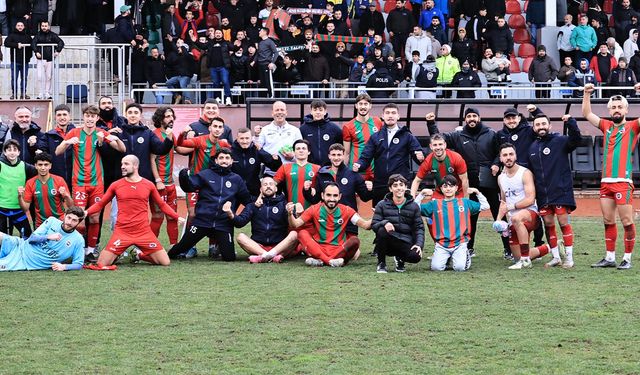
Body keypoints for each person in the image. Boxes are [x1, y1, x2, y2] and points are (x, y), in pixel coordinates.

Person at [426, 108, 507, 259]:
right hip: (469, 182)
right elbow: (440, 139)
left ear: (479, 117)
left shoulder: (490, 133)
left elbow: (499, 151)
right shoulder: (457, 135)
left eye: (474, 116)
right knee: (469, 216)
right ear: (465, 119)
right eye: (468, 116)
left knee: (499, 213)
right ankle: (469, 248)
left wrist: (496, 163)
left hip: (489, 179)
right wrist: (431, 124)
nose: (471, 118)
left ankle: (508, 248)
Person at [55, 105, 125, 262]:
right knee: (77, 217)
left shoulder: (101, 133)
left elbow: (122, 149)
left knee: (94, 218)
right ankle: (77, 248)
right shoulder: (74, 133)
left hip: (97, 184)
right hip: (79, 183)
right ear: (83, 117)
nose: (89, 118)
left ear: (97, 118)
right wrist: (67, 143)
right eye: (87, 115)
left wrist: (116, 139)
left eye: (93, 116)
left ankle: (91, 250)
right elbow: (57, 152)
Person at [86, 155, 184, 267]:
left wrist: (177, 217)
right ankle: (116, 254)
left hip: (143, 232)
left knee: (165, 262)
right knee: (101, 263)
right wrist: (86, 212)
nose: (122, 167)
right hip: (122, 231)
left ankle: (138, 256)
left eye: (126, 164)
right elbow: (100, 204)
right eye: (122, 164)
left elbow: (162, 205)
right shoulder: (116, 185)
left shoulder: (149, 185)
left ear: (136, 166)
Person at [582, 83, 638, 269]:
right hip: (606, 182)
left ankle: (627, 258)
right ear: (609, 110)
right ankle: (610, 257)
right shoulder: (606, 125)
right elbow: (587, 115)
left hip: (623, 182)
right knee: (608, 220)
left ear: (626, 109)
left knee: (627, 221)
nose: (616, 110)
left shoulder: (632, 126)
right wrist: (587, 94)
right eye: (613, 107)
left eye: (619, 107)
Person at [168, 148, 252, 261]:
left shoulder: (236, 179)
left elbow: (247, 201)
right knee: (177, 250)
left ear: (231, 161)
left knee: (229, 258)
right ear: (216, 160)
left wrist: (239, 216)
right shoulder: (205, 175)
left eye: (227, 158)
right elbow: (189, 187)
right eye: (221, 158)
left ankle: (219, 246)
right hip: (202, 221)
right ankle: (170, 252)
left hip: (223, 224)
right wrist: (183, 177)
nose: (224, 160)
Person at [528, 114, 581, 269]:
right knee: (549, 225)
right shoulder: (532, 147)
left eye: (544, 123)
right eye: (537, 124)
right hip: (543, 194)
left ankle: (569, 258)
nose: (541, 126)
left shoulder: (560, 140)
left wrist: (571, 122)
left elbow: (576, 139)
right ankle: (556, 257)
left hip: (560, 191)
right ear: (534, 128)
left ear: (550, 126)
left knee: (563, 223)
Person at [354, 103, 424, 206]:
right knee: (380, 218)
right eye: (387, 113)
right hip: (380, 184)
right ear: (382, 116)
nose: (390, 115)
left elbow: (418, 155)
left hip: (400, 184)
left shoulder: (407, 136)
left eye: (393, 113)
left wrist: (420, 157)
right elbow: (365, 157)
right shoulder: (375, 137)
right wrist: (359, 165)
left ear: (398, 116)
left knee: (402, 217)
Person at [288, 183, 372, 267]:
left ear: (339, 196)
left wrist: (377, 215)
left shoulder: (347, 210)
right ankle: (330, 261)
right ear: (322, 195)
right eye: (328, 195)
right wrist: (290, 214)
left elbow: (366, 225)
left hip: (339, 250)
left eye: (335, 196)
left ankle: (322, 261)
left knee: (355, 240)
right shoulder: (314, 209)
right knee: (302, 233)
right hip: (319, 249)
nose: (332, 199)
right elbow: (295, 224)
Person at [497, 143, 550, 270]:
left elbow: (530, 199)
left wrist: (511, 207)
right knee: (517, 257)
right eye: (505, 155)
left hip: (530, 214)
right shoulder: (500, 177)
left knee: (516, 218)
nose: (508, 157)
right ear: (500, 158)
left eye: (511, 154)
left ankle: (526, 261)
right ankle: (551, 247)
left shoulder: (525, 173)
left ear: (516, 156)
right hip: (513, 219)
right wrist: (498, 220)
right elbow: (503, 202)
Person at [420, 175, 490, 271]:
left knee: (459, 268)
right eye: (445, 186)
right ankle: (447, 257)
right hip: (442, 244)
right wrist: (421, 195)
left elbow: (485, 206)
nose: (448, 189)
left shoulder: (465, 202)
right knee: (436, 268)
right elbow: (415, 208)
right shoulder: (435, 204)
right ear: (441, 189)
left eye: (451, 186)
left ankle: (466, 255)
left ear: (456, 188)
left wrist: (477, 192)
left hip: (460, 243)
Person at [226, 176, 299, 263]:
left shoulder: (283, 205)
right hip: (258, 246)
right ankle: (269, 255)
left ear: (276, 189)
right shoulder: (253, 205)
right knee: (240, 237)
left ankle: (266, 256)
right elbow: (240, 223)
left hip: (279, 246)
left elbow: (292, 225)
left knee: (294, 234)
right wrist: (230, 213)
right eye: (265, 184)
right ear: (261, 189)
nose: (268, 186)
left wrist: (290, 214)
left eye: (271, 184)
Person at [0, 207, 85, 272]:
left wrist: (64, 267)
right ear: (64, 215)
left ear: (79, 222)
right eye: (69, 218)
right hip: (19, 245)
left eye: (74, 220)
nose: (69, 222)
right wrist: (48, 237)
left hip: (23, 261)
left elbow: (78, 264)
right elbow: (31, 239)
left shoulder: (78, 240)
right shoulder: (52, 221)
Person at [372, 174, 423, 273]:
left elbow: (419, 228)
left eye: (401, 185)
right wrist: (385, 222)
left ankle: (400, 258)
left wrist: (419, 244)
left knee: (415, 257)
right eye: (395, 185)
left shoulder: (414, 206)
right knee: (382, 230)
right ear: (390, 189)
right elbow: (374, 224)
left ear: (406, 187)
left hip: (406, 241)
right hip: (388, 241)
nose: (398, 188)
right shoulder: (381, 204)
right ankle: (381, 263)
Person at [150, 107, 183, 249]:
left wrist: (195, 145)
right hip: (159, 184)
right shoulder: (155, 135)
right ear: (160, 119)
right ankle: (150, 245)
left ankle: (173, 246)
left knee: (172, 216)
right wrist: (157, 180)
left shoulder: (171, 135)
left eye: (171, 116)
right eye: (167, 116)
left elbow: (179, 149)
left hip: (170, 184)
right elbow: (152, 159)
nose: (170, 119)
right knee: (157, 215)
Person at [18, 152, 72, 228]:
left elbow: (71, 206)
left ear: (50, 166)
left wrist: (66, 195)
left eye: (46, 165)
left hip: (59, 222)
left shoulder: (59, 180)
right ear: (35, 166)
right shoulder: (30, 183)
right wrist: (20, 197)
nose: (43, 168)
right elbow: (25, 208)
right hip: (41, 225)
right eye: (40, 165)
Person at [410, 133, 468, 199]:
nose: (438, 148)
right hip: (440, 193)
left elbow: (465, 180)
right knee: (432, 208)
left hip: (457, 192)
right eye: (435, 145)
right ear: (431, 146)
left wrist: (466, 200)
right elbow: (417, 181)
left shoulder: (456, 158)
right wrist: (412, 199)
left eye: (440, 144)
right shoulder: (428, 161)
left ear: (445, 145)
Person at [0, 139, 36, 238]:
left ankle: (23, 253)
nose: (12, 152)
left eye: (15, 149)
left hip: (18, 208)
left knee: (27, 235)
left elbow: (39, 173)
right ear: (4, 152)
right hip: (1, 208)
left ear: (19, 152)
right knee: (3, 238)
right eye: (9, 149)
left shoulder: (25, 166)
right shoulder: (0, 164)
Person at [342, 94, 383, 180]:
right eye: (360, 104)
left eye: (365, 104)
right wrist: (344, 172)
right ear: (356, 106)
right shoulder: (348, 126)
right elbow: (346, 153)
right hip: (356, 170)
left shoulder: (378, 122)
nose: (363, 107)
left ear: (370, 106)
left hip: (375, 170)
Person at [230, 128, 281, 198]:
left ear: (251, 138)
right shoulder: (231, 152)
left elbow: (274, 167)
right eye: (242, 138)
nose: (245, 141)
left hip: (253, 192)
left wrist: (276, 160)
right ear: (237, 139)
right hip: (235, 191)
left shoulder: (257, 150)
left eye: (247, 138)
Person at [274, 139, 320, 209]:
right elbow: (272, 184)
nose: (301, 150)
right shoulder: (285, 167)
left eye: (304, 148)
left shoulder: (317, 168)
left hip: (312, 211)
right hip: (292, 211)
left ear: (309, 152)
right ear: (294, 152)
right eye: (298, 149)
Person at [36, 104, 75, 187]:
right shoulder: (48, 135)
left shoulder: (78, 133)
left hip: (75, 178)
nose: (62, 117)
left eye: (64, 114)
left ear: (69, 116)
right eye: (59, 115)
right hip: (55, 178)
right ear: (55, 117)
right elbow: (41, 152)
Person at [257, 101, 302, 169]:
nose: (279, 112)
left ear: (286, 112)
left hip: (291, 171)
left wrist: (292, 157)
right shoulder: (265, 130)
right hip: (271, 171)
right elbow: (258, 149)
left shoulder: (295, 130)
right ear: (272, 113)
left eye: (282, 110)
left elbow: (301, 153)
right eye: (277, 110)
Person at [300, 100, 343, 166]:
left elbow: (341, 147)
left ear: (325, 111)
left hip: (329, 167)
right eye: (315, 110)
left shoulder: (334, 129)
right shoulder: (303, 129)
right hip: (309, 167)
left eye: (320, 110)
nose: (318, 112)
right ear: (311, 111)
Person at [31, 21, 64, 99]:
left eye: (45, 26)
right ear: (40, 27)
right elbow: (33, 43)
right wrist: (36, 52)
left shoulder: (53, 35)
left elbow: (61, 42)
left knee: (49, 76)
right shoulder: (38, 35)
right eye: (43, 26)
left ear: (48, 26)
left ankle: (47, 93)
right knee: (39, 77)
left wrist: (57, 51)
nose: (44, 27)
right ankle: (40, 93)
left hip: (50, 59)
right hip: (40, 59)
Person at [4, 21, 33, 100]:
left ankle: (23, 94)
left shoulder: (27, 36)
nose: (20, 27)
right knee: (14, 78)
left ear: (24, 27)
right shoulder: (12, 35)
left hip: (25, 61)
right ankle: (14, 94)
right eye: (18, 25)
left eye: (21, 25)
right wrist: (16, 45)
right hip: (15, 61)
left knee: (24, 78)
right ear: (16, 26)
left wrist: (29, 57)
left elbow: (31, 46)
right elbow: (6, 43)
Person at [255, 27, 278, 98]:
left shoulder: (270, 42)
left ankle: (271, 95)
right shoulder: (260, 42)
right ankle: (263, 98)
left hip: (267, 65)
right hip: (260, 64)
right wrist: (254, 61)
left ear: (265, 32)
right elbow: (258, 53)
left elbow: (276, 53)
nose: (259, 32)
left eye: (260, 31)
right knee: (262, 82)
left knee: (268, 81)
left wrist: (272, 63)